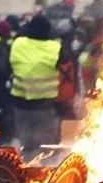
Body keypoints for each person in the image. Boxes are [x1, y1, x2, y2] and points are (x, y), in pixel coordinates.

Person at [8, 14, 72, 160]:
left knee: (25, 144)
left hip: (20, 105)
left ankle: (23, 171)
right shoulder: (55, 48)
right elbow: (67, 62)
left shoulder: (18, 44)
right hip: (44, 107)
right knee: (43, 147)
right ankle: (39, 175)